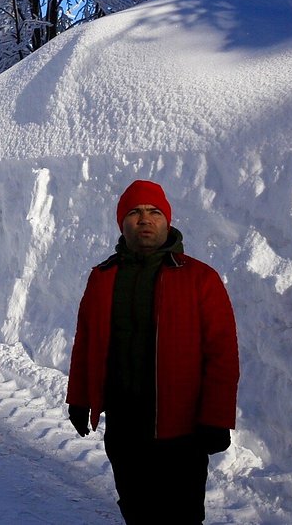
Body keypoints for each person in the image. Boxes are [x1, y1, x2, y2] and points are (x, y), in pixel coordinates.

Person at [66, 179, 240, 524]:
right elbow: (86, 341)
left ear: (167, 221)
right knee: (136, 508)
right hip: (124, 424)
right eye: (134, 212)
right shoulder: (102, 276)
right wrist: (80, 397)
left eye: (154, 211)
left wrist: (217, 419)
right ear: (122, 222)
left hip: (182, 429)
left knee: (182, 515)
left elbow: (222, 354)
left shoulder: (199, 278)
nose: (145, 219)